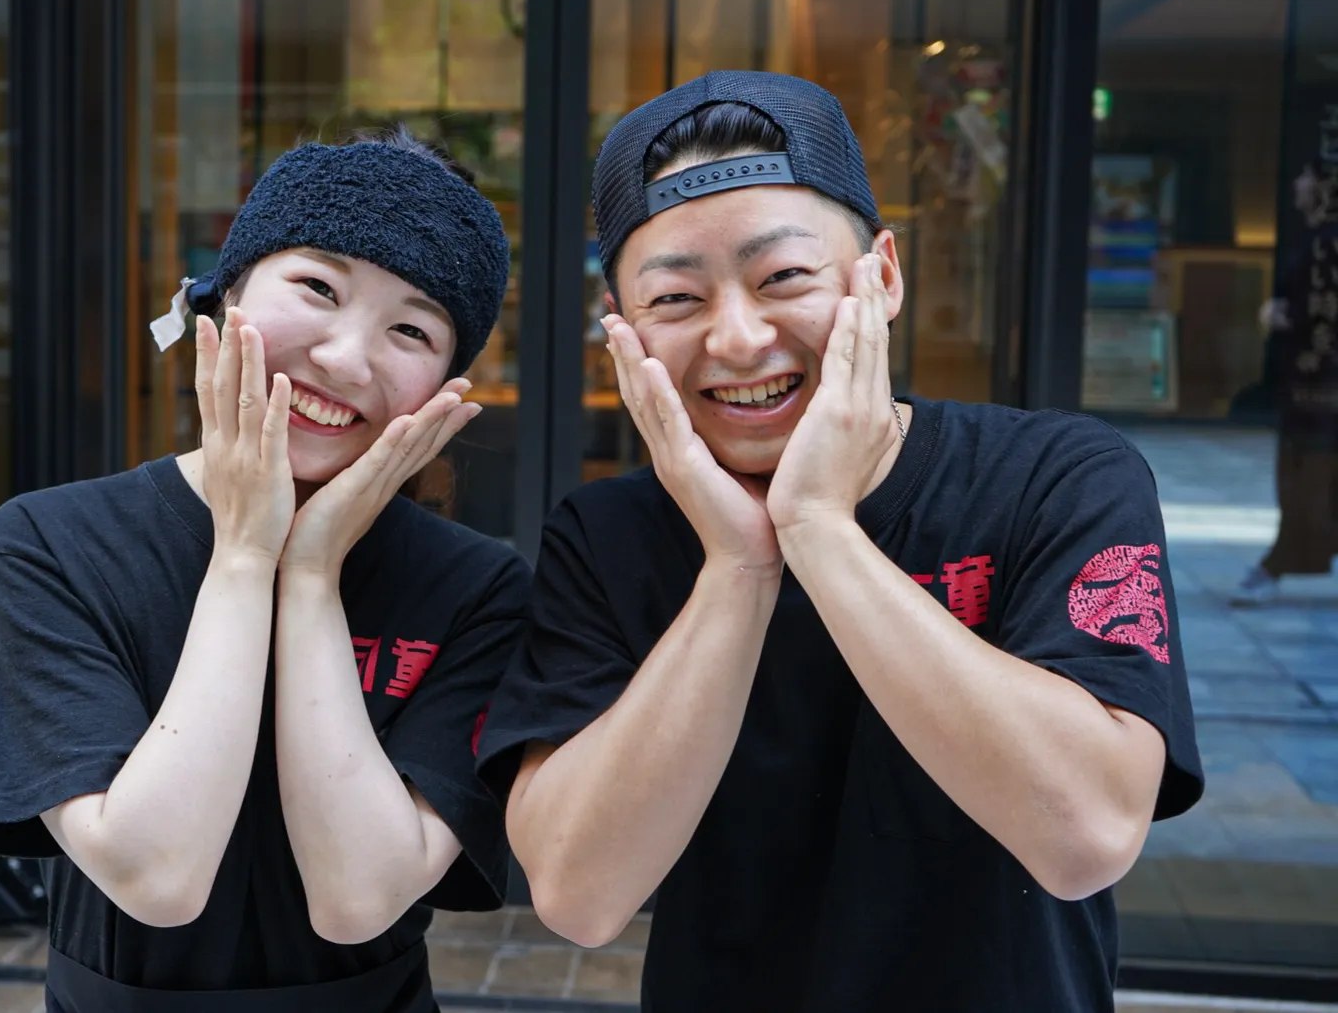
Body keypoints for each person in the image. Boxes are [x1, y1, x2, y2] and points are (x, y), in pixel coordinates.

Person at [475, 71, 1204, 1012]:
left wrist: (819, 528)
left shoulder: (1055, 478)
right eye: (676, 300)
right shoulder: (607, 537)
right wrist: (739, 566)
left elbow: (1087, 835)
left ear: (883, 277)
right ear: (622, 332)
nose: (738, 338)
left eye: (783, 277)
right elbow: (578, 895)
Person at [0, 130, 529, 1013]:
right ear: (224, 295)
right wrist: (246, 553)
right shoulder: (50, 544)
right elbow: (156, 873)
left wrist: (308, 583)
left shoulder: (477, 588)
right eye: (318, 287)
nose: (345, 357)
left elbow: (359, 899)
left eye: (410, 328)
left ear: (445, 390)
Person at [1238, 159, 1338, 603]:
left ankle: (1276, 566)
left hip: (1322, 395)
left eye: (1306, 176)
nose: (1297, 184)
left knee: (1311, 482)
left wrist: (1282, 316)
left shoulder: (1327, 244)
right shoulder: (1318, 241)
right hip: (1310, 391)